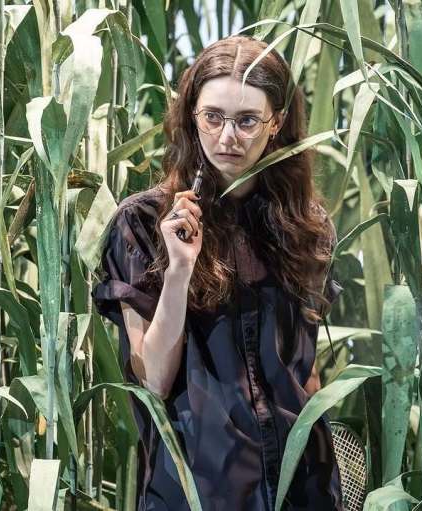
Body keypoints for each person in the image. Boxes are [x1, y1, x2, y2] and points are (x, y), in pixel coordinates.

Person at [92, 35, 344, 511]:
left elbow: (304, 373)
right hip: (197, 489)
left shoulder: (305, 225)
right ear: (192, 116)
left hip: (301, 489)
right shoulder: (143, 223)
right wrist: (179, 271)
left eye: (247, 120)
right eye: (213, 117)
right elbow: (154, 381)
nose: (228, 138)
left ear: (276, 123)